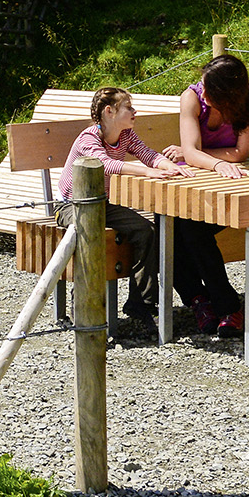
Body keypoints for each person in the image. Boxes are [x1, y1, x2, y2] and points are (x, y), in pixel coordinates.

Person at [68, 85, 187, 336]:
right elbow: (105, 164)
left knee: (147, 231)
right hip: (72, 205)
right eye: (129, 107)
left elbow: (147, 154)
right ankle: (82, 304)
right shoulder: (89, 138)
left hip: (103, 203)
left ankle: (141, 304)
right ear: (109, 112)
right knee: (91, 238)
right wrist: (147, 172)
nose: (135, 112)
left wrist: (168, 166)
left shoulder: (126, 135)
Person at [173, 53, 249, 335]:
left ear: (228, 94)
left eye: (209, 90)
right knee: (168, 221)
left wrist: (196, 154)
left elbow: (240, 153)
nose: (203, 93)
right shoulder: (191, 98)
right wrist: (214, 162)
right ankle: (213, 303)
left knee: (189, 227)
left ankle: (211, 302)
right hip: (196, 182)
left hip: (230, 186)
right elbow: (191, 153)